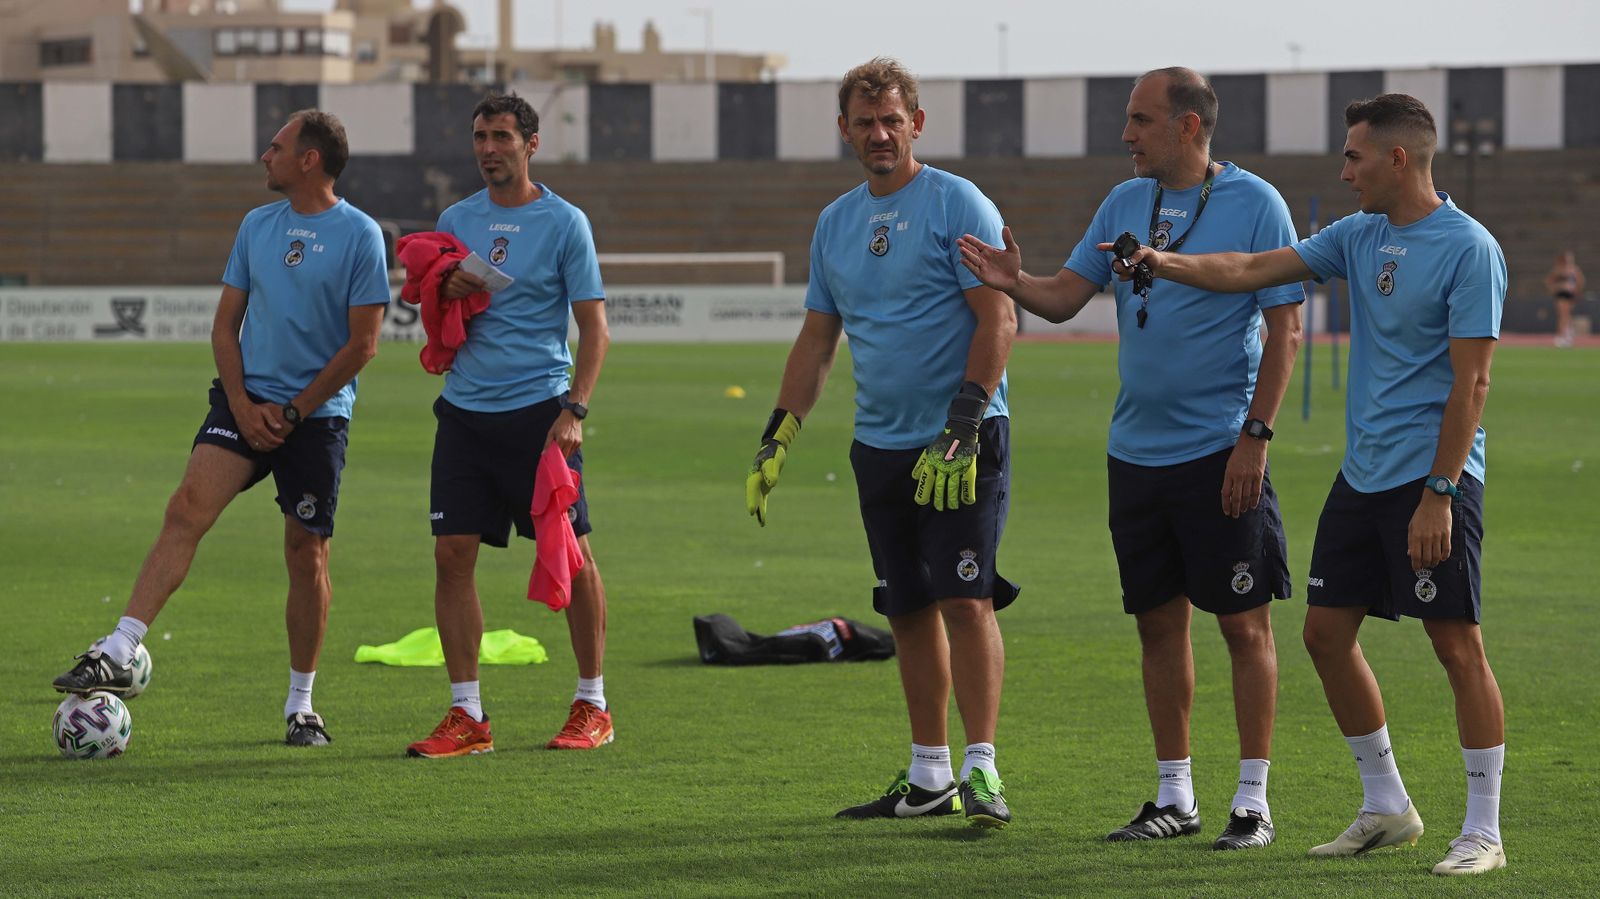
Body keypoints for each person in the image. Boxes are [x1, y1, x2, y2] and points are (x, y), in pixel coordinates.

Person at [1109, 93, 1508, 876]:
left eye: (1355, 156)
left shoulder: (1469, 248)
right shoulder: (1358, 235)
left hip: (1434, 479)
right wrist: (1166, 260)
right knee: (1324, 634)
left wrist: (1441, 489)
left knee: (1456, 645)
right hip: (1362, 477)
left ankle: (1484, 830)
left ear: (1398, 159)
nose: (1344, 170)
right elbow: (1253, 269)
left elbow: (1474, 384)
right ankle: (1387, 803)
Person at [959, 67, 1302, 851]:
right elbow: (1064, 297)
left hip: (1222, 450)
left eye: (1140, 120)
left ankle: (1252, 802)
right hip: (1134, 453)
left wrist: (1256, 437)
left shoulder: (1256, 203)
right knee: (1157, 625)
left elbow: (1285, 329)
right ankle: (1173, 794)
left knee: (1245, 628)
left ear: (1187, 126)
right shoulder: (1124, 201)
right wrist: (1015, 284)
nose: (1126, 134)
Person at [51, 110, 391, 747]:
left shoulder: (361, 235)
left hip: (315, 418)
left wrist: (291, 412)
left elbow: (363, 344)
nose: (266, 156)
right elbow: (224, 324)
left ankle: (301, 705)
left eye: (277, 146)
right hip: (244, 404)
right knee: (186, 509)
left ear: (310, 159)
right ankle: (119, 649)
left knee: (305, 553)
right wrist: (239, 402)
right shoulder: (256, 225)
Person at [745, 57, 1018, 827]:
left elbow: (999, 316)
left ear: (917, 124)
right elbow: (818, 340)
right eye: (864, 123)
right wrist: (779, 435)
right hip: (881, 446)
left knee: (966, 598)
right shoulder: (835, 223)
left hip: (961, 437)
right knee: (906, 607)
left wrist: (963, 422)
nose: (879, 134)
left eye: (892, 120)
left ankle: (982, 770)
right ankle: (928, 773)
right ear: (845, 130)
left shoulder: (956, 201)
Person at [404, 92, 614, 758]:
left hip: (539, 415)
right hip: (465, 412)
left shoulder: (564, 222)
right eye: (479, 137)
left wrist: (574, 408)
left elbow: (594, 325)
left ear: (531, 144)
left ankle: (593, 702)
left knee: (570, 554)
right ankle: (467, 715)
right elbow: (432, 311)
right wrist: (444, 294)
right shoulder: (456, 217)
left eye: (500, 136)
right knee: (451, 556)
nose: (488, 148)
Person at [1545, 250, 1584, 347]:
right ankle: (1563, 335)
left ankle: (1567, 334)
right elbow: (1549, 281)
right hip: (1561, 294)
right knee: (1563, 315)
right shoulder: (1558, 269)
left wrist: (1576, 291)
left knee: (1566, 315)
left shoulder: (1574, 269)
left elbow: (1580, 281)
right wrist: (1556, 287)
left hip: (1570, 294)